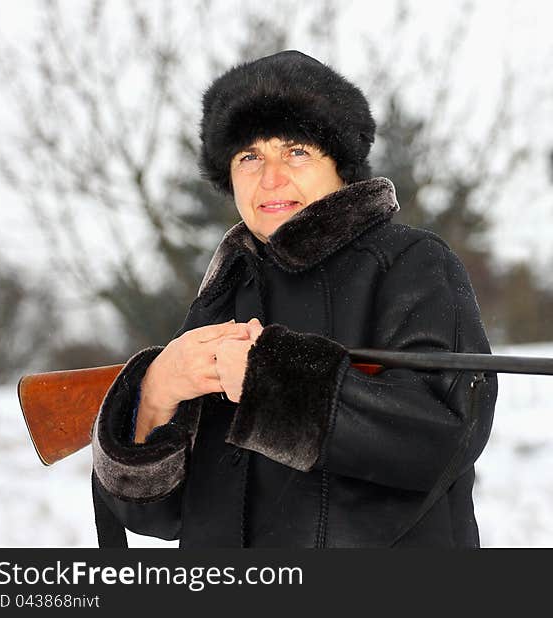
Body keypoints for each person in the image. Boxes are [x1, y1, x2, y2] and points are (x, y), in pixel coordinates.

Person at [91, 50, 498, 548]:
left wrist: (270, 383)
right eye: (249, 157)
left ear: (341, 166)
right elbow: (159, 519)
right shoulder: (222, 293)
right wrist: (155, 393)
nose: (270, 178)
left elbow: (443, 440)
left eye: (296, 151)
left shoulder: (412, 262)